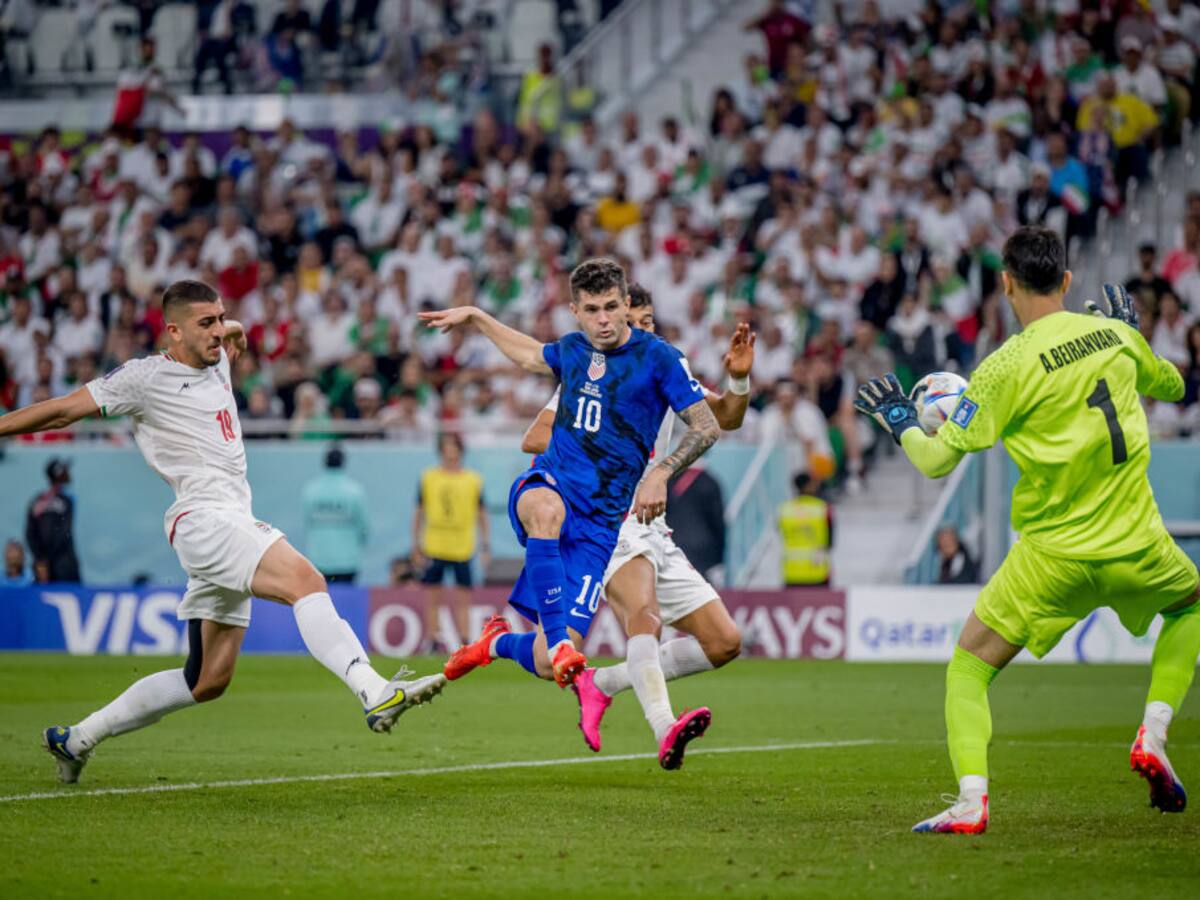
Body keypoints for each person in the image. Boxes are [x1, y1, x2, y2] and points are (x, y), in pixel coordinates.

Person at [0, 280, 444, 785]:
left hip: (225, 520)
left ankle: (76, 738)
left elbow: (228, 330)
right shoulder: (143, 378)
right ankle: (373, 690)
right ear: (172, 331)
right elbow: (61, 409)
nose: (218, 332)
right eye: (205, 323)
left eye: (220, 319)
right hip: (205, 518)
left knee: (206, 679)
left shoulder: (216, 356)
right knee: (307, 582)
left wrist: (233, 331)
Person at [855, 227, 1200, 834]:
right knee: (1190, 607)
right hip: (1137, 542)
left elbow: (935, 462)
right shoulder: (1115, 335)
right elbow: (1172, 385)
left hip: (1052, 559)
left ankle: (971, 802)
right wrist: (1135, 336)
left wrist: (901, 421)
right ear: (1067, 282)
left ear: (1006, 284)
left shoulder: (1003, 367)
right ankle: (1154, 731)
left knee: (968, 668)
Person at [421, 258, 722, 768]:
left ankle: (502, 643)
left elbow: (707, 425)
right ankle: (566, 646)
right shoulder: (574, 350)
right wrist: (476, 315)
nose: (603, 320)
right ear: (575, 311)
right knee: (544, 509)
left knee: (542, 663)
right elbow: (525, 355)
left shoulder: (661, 359)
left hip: (602, 524)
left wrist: (660, 471)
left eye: (611, 307)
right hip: (552, 485)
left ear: (627, 304)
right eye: (591, 310)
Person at [517, 284, 752, 765]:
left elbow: (724, 418)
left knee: (724, 642)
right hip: (608, 513)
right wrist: (604, 443)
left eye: (647, 322)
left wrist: (740, 381)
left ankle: (601, 683)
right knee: (644, 617)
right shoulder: (590, 371)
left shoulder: (663, 365)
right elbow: (534, 435)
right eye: (634, 321)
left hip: (654, 524)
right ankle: (664, 728)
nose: (639, 329)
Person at [411, 432, 489, 653]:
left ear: (460, 450)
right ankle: (433, 639)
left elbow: (482, 513)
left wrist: (485, 544)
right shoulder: (429, 477)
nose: (450, 451)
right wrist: (415, 544)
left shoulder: (473, 479)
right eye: (446, 447)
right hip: (434, 543)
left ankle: (464, 641)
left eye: (453, 446)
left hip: (462, 545)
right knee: (433, 595)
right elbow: (419, 511)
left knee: (463, 596)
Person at [300, 444, 368, 583]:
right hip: (347, 561)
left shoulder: (310, 491)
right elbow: (364, 527)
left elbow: (307, 522)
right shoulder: (355, 491)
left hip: (318, 559)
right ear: (344, 462)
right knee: (345, 603)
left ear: (324, 462)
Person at [25, 458, 81, 583]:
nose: (68, 473)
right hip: (63, 565)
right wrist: (44, 559)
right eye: (65, 471)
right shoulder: (66, 500)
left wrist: (41, 558)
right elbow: (63, 531)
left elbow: (30, 534)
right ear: (58, 475)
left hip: (43, 566)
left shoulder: (37, 500)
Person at [777, 474, 832, 587]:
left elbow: (780, 532)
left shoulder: (785, 510)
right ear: (807, 485)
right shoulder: (823, 508)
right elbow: (830, 542)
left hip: (791, 571)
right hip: (817, 570)